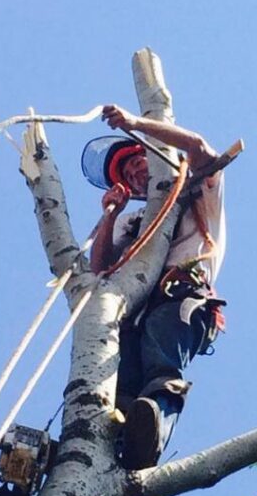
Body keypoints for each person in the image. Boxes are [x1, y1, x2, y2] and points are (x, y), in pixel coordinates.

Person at [83, 104, 226, 470]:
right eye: (128, 175)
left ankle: (153, 432)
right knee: (118, 385)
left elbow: (199, 147)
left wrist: (135, 123)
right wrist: (110, 214)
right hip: (131, 315)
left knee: (161, 365)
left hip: (180, 294)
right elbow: (97, 271)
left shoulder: (197, 190)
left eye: (138, 161)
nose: (134, 174)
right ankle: (108, 447)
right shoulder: (131, 221)